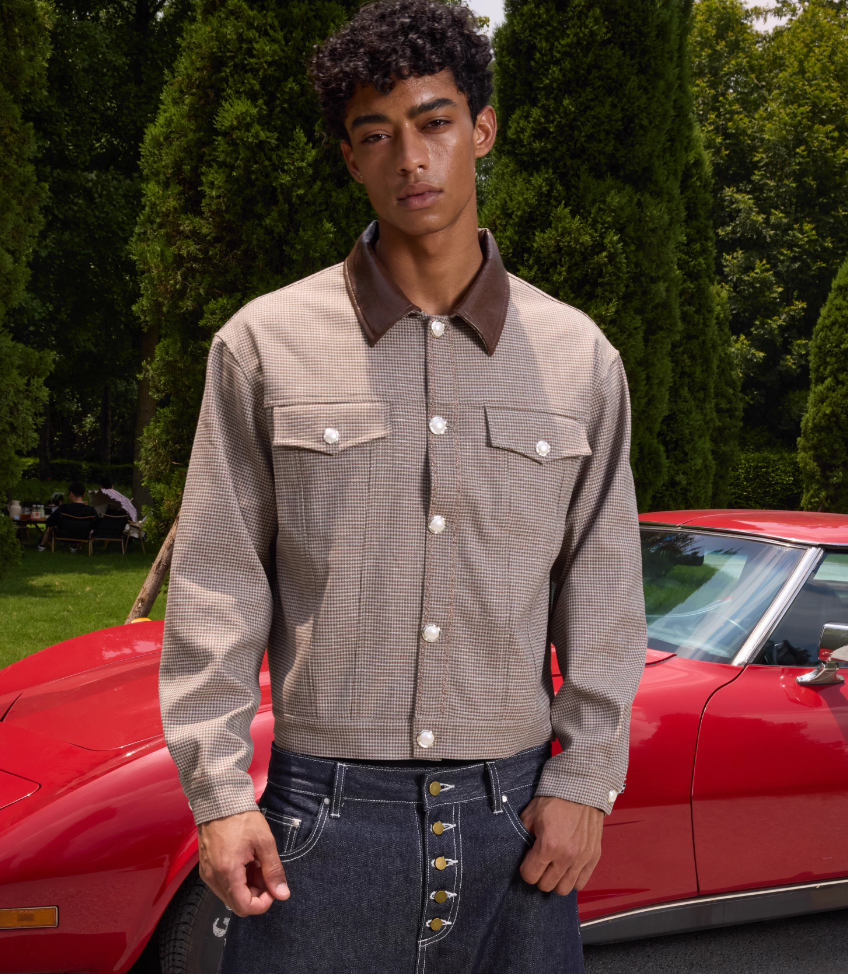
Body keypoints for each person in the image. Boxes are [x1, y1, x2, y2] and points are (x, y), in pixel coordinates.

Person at [159, 3, 647, 972]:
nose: (411, 159)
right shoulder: (262, 345)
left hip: (517, 828)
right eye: (377, 135)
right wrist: (219, 795)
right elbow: (217, 584)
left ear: (483, 129)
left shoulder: (578, 358)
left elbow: (604, 589)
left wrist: (587, 777)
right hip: (317, 831)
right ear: (351, 158)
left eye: (434, 123)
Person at [39, 482, 98, 553]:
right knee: (79, 527)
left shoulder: (64, 508)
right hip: (83, 536)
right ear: (83, 495)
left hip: (63, 535)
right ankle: (74, 547)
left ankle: (42, 546)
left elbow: (50, 520)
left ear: (71, 494)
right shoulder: (91, 510)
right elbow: (96, 524)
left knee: (50, 526)